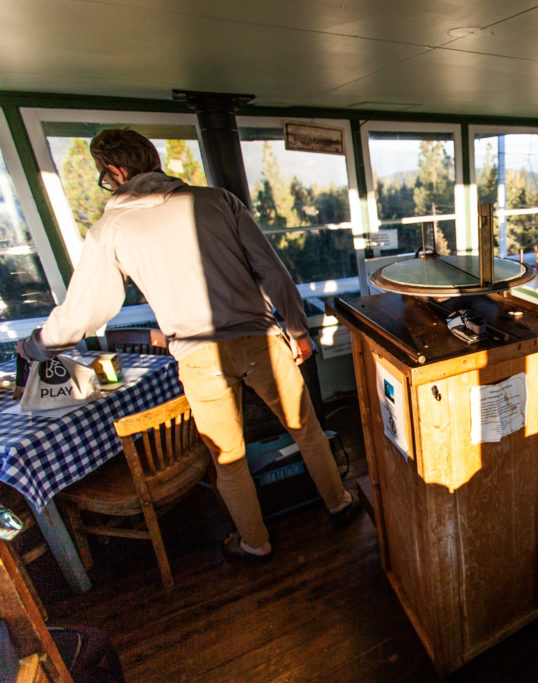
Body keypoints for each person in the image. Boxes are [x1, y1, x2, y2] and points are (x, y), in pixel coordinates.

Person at [16, 129, 356, 561]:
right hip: (260, 341)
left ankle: (256, 542)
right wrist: (299, 330)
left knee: (228, 458)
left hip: (198, 356)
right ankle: (340, 504)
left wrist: (37, 344)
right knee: (306, 430)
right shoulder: (218, 201)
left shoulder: (111, 229)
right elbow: (272, 270)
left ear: (116, 171)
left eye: (106, 176)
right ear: (153, 160)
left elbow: (84, 312)